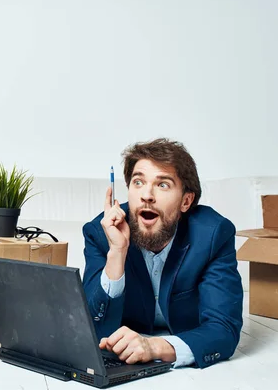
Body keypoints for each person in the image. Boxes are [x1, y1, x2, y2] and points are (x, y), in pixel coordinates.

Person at [82, 138, 243, 369]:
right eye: (138, 182)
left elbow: (223, 329)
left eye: (163, 185)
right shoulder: (100, 233)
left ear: (186, 201)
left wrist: (156, 347)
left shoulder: (213, 234)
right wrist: (117, 252)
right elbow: (90, 328)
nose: (147, 195)